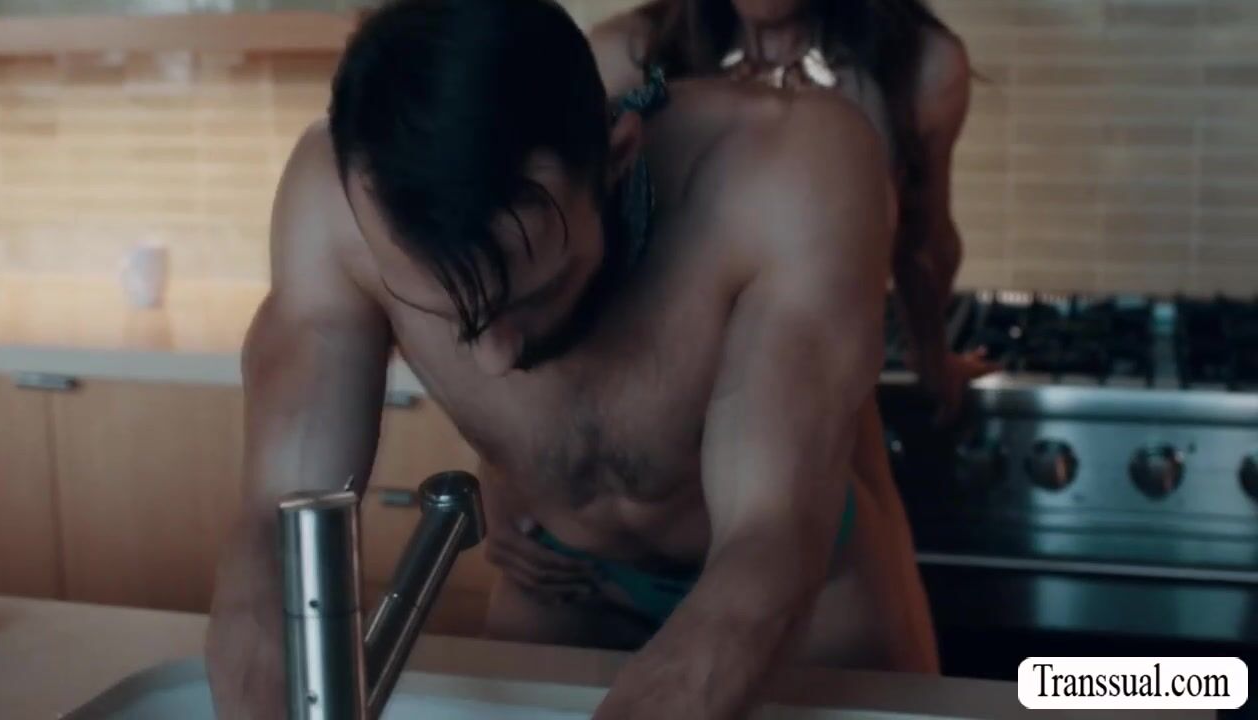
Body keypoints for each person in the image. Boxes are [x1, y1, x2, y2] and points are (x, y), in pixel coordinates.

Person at [205, 0, 937, 717]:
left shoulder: (786, 171)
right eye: (446, 318)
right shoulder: (331, 210)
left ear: (618, 156)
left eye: (535, 296)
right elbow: (274, 530)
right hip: (563, 584)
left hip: (800, 589)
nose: (494, 359)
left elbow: (770, 534)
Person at [589, 0, 997, 427]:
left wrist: (933, 362)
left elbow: (924, 245)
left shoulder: (920, 66)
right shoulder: (626, 56)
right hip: (659, 409)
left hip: (823, 408)